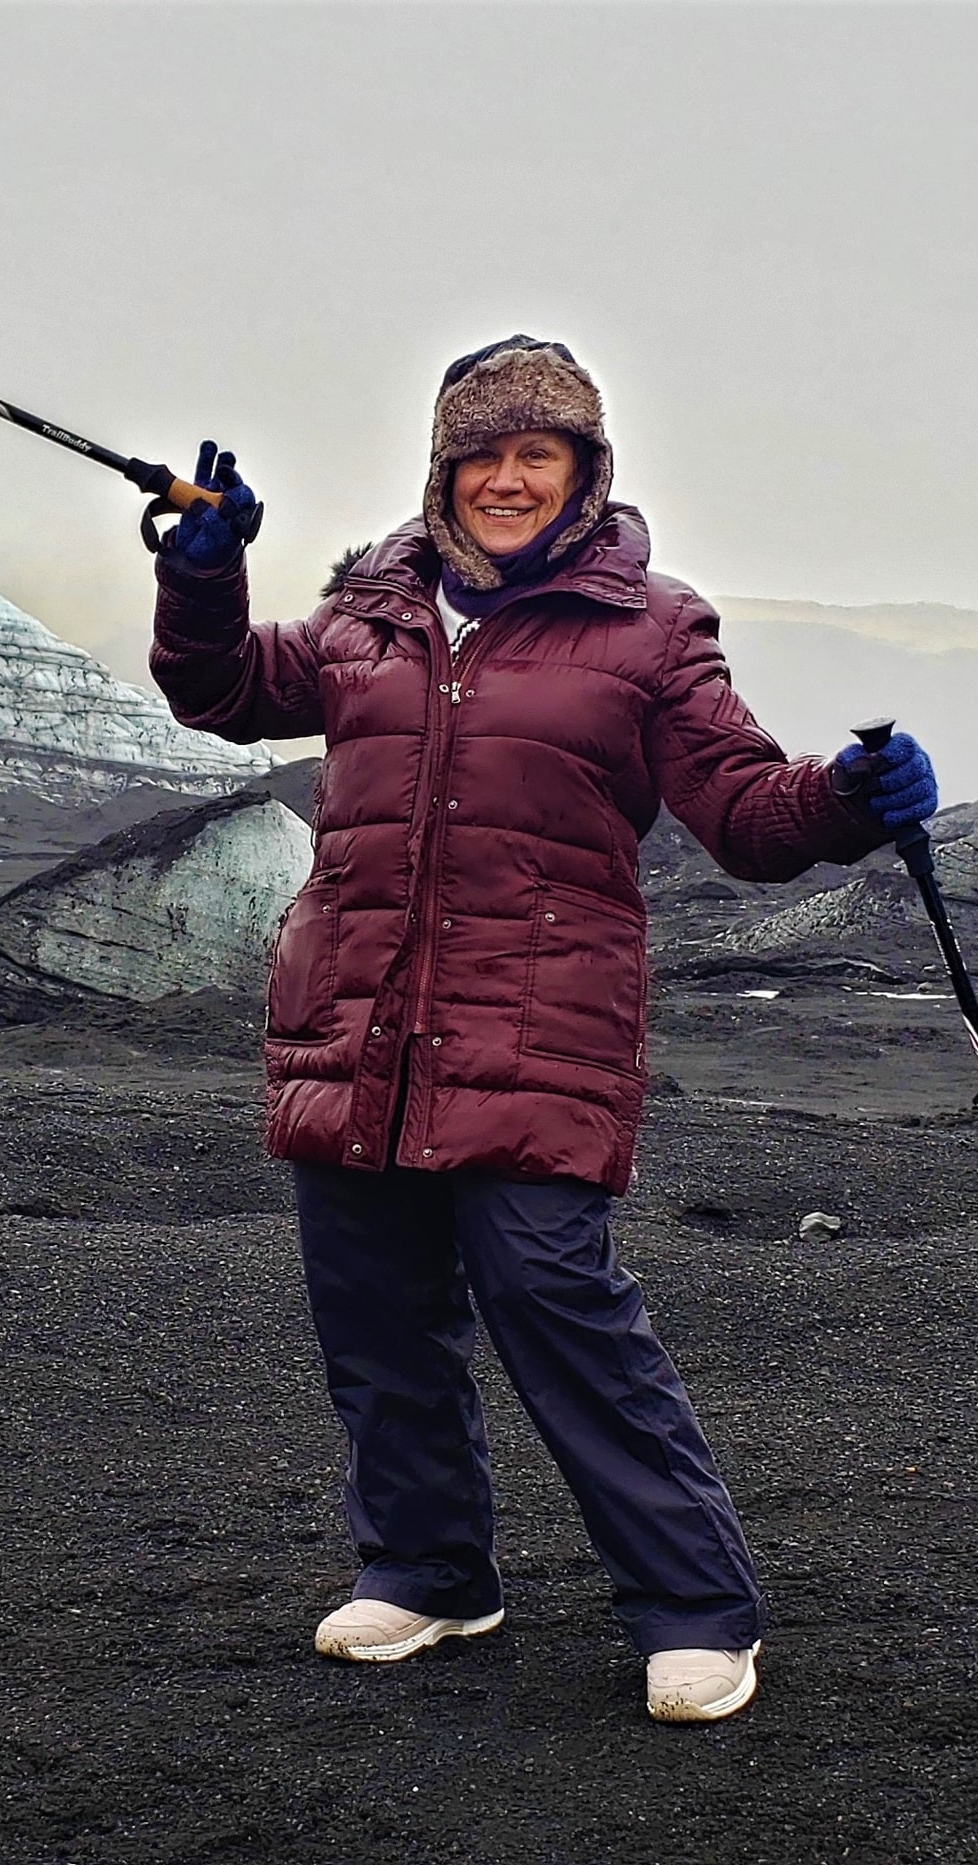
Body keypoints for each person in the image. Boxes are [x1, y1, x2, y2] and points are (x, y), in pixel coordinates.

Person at [143, 336, 936, 1725]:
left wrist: (847, 797)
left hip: (539, 1026)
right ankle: (431, 1575)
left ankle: (696, 1610)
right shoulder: (365, 615)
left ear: (583, 472)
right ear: (443, 471)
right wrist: (201, 576)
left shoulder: (649, 631)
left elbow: (745, 814)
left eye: (537, 454)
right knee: (377, 1319)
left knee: (557, 1304)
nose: (506, 478)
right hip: (359, 1022)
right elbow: (218, 694)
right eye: (481, 455)